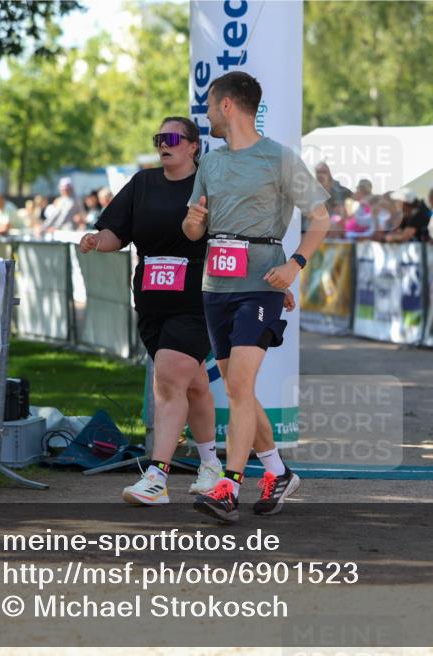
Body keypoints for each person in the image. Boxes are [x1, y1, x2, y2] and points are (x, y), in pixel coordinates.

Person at [183, 71, 330, 523]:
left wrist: (295, 265)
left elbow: (321, 218)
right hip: (215, 286)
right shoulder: (210, 163)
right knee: (236, 388)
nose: (205, 113)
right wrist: (193, 221)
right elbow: (193, 230)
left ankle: (228, 486)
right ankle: (278, 472)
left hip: (261, 285)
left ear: (228, 105)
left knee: (241, 386)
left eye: (209, 104)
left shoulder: (280, 159)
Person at [80, 117, 224, 505]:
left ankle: (157, 476)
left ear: (194, 146)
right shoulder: (143, 184)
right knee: (191, 383)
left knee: (168, 378)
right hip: (151, 299)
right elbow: (116, 232)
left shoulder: (210, 183)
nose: (164, 143)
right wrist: (97, 240)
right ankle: (211, 467)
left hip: (197, 297)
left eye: (172, 137)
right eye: (159, 138)